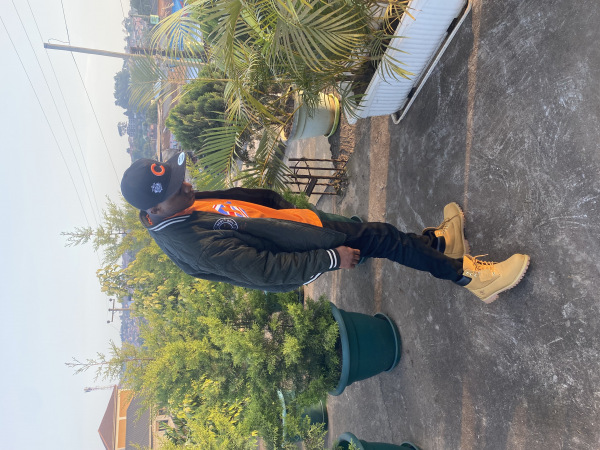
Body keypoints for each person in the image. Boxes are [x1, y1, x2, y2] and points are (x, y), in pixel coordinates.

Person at [120, 152, 530, 303]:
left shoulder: (179, 205)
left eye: (179, 178)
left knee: (381, 236)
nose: (187, 186)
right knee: (383, 238)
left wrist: (285, 208)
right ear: (155, 209)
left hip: (302, 224)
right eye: (175, 189)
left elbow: (241, 206)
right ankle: (471, 278)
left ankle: (437, 245)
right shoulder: (193, 246)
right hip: (308, 246)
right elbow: (265, 270)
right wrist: (330, 258)